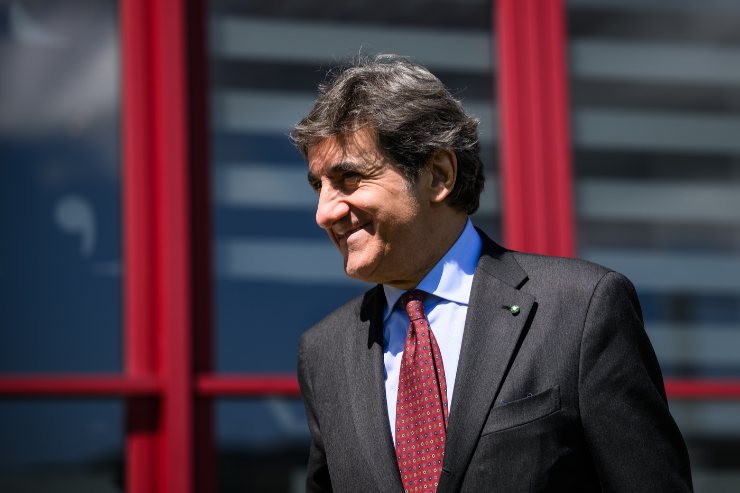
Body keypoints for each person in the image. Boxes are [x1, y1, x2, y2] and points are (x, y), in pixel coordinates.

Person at [291, 55, 692, 493]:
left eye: (349, 178)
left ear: (438, 175)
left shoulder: (581, 310)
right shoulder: (324, 353)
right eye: (319, 186)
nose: (324, 213)